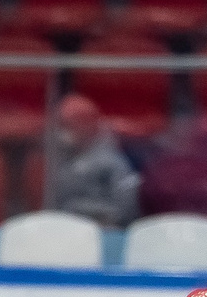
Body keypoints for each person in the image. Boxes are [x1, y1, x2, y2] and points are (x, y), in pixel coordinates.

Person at [47, 92, 140, 229]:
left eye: (68, 125)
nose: (62, 132)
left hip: (105, 233)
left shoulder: (113, 161)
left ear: (87, 123)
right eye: (61, 125)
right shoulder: (59, 156)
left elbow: (125, 208)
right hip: (65, 230)